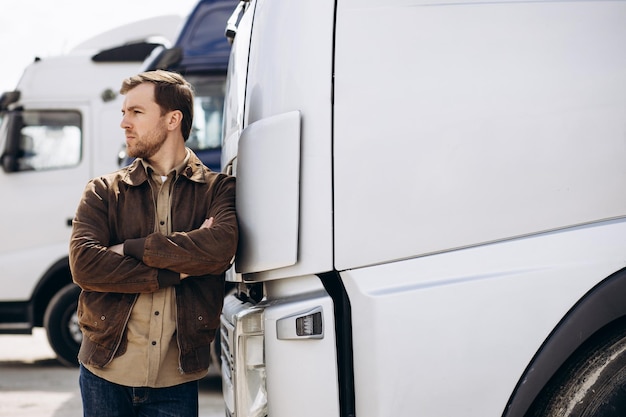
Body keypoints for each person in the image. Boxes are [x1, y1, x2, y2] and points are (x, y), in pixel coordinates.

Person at [69, 70, 238, 417]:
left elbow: (220, 249)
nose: (124, 123)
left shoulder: (217, 190)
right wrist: (178, 271)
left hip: (175, 382)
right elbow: (85, 265)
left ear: (173, 119)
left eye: (136, 112)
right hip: (105, 374)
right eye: (123, 112)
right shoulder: (103, 191)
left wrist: (130, 247)